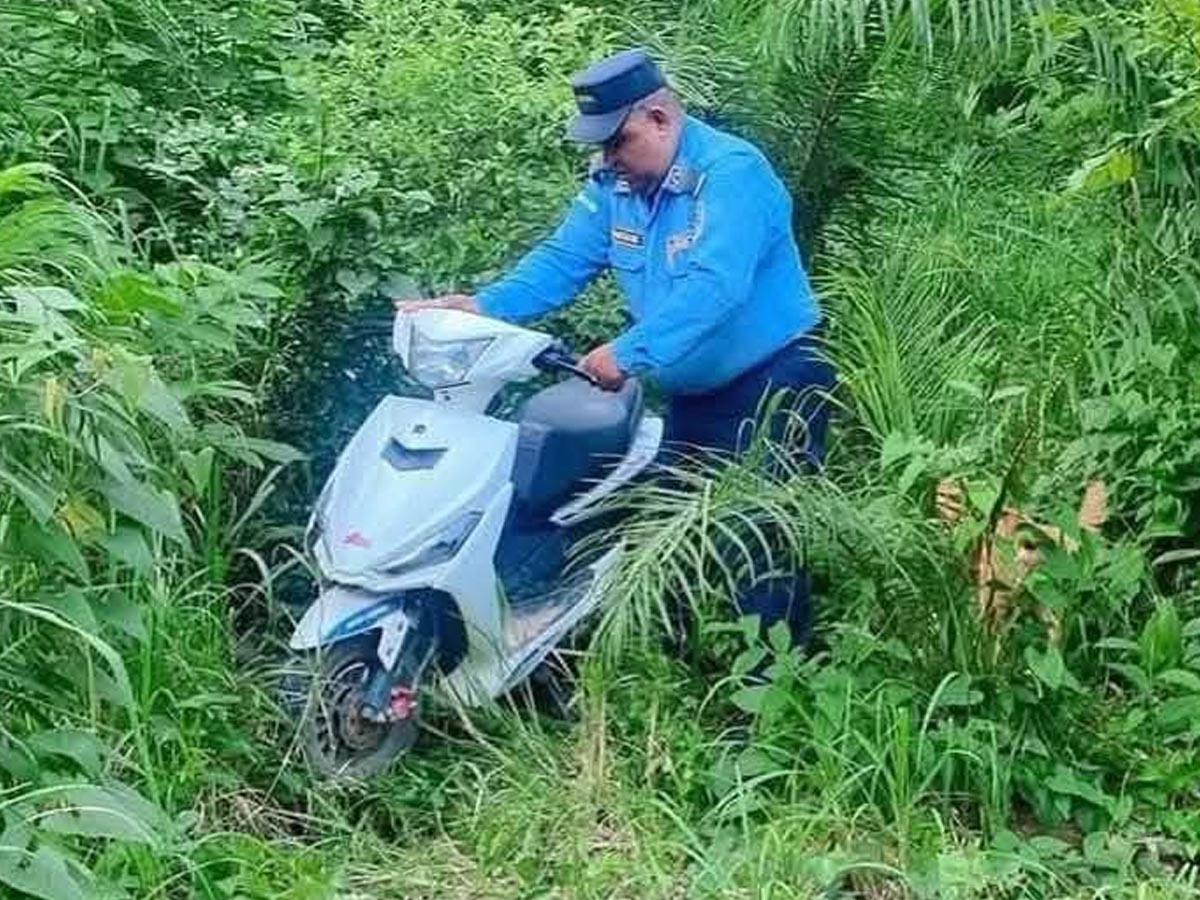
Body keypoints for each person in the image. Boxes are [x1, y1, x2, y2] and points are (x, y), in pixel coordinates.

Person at [401, 48, 835, 647]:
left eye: (618, 141)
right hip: (695, 393)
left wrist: (627, 353)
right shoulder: (618, 186)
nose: (608, 159)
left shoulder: (732, 175)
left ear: (660, 119)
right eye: (601, 147)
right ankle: (686, 666)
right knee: (673, 526)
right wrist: (484, 307)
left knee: (760, 532)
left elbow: (716, 288)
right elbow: (564, 258)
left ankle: (774, 698)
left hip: (773, 382)